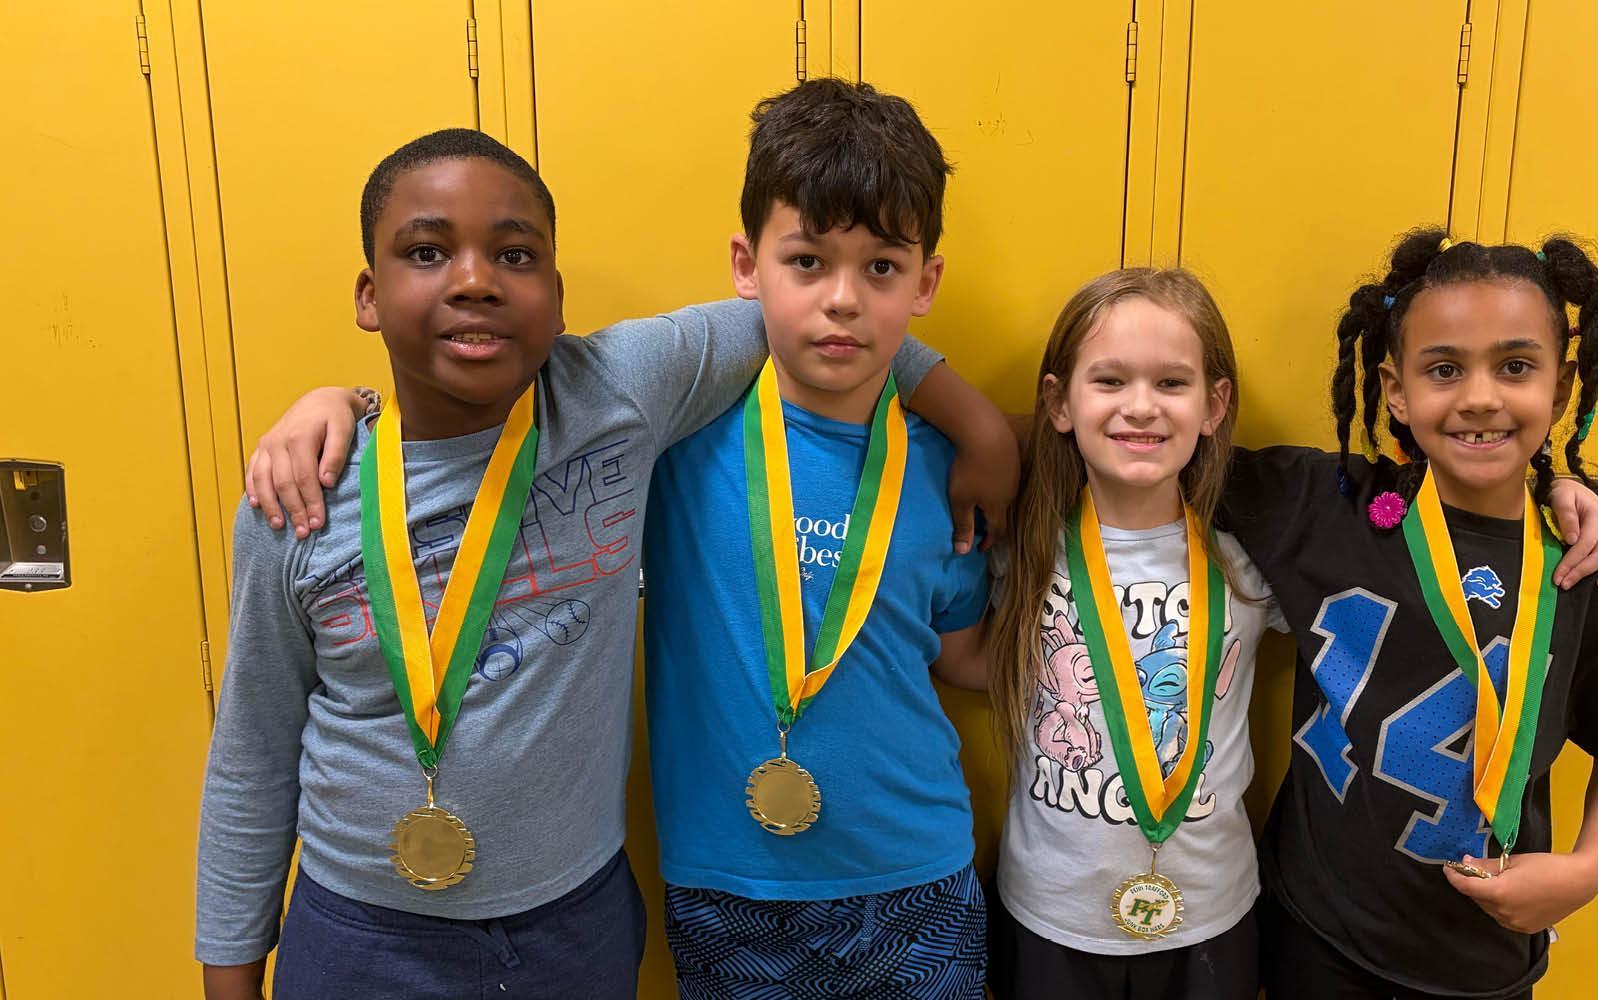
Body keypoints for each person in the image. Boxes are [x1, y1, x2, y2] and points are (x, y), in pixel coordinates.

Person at [196, 126, 1007, 1000]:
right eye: (427, 251)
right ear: (368, 293)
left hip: (572, 926)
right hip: (361, 929)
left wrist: (983, 424)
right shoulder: (296, 499)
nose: (473, 280)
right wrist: (229, 974)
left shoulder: (617, 399)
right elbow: (251, 757)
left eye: (513, 255)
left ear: (556, 293)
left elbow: (824, 311)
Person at [1221, 231, 1598, 999]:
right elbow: (1141, 451)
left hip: (1485, 962)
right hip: (1313, 940)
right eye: (1444, 369)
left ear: (1561, 389)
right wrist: (981, 442)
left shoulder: (1592, 568)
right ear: (1396, 391)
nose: (1479, 396)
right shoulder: (1321, 505)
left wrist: (1585, 871)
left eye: (1515, 366)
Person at [641, 78, 992, 998]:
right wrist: (345, 406)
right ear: (745, 265)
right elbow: (514, 405)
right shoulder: (674, 444)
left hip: (915, 879)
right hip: (727, 885)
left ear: (927, 283)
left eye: (881, 267)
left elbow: (960, 656)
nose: (843, 300)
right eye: (807, 262)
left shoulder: (948, 463)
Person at [984, 268, 1281, 999]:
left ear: (1215, 406)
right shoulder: (1021, 542)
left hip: (1211, 913)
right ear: (1060, 401)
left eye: (1172, 384)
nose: (1140, 408)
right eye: (1109, 381)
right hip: (1051, 911)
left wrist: (1555, 490)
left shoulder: (1250, 556)